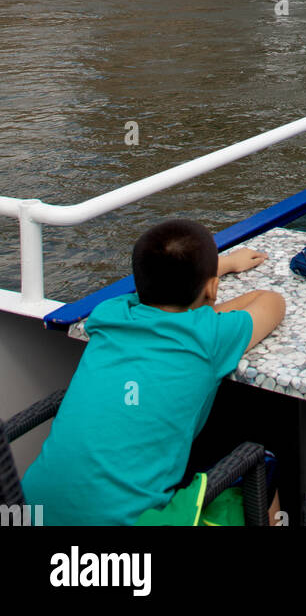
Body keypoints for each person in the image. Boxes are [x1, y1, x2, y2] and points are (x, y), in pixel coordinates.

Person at [22, 220, 285, 526]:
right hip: (122, 558)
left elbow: (169, 309)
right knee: (263, 465)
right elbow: (271, 302)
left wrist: (217, 268)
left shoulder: (107, 314)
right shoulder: (209, 336)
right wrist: (213, 278)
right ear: (212, 288)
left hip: (31, 510)